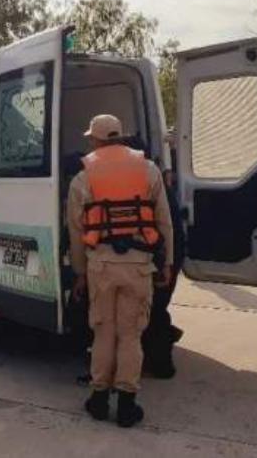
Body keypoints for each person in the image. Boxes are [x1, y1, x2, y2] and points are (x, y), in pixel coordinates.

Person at [67, 114, 174, 428]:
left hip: (101, 265)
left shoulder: (82, 177)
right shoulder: (149, 169)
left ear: (96, 140)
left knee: (104, 333)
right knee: (130, 335)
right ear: (121, 136)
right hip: (139, 266)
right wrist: (166, 263)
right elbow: (164, 222)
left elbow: (75, 230)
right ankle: (127, 405)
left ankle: (99, 399)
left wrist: (80, 273)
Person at [142, 132, 186, 379]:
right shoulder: (156, 180)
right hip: (169, 252)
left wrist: (164, 263)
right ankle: (160, 352)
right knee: (156, 308)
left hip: (161, 255)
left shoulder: (149, 183)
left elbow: (164, 227)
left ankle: (161, 361)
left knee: (154, 309)